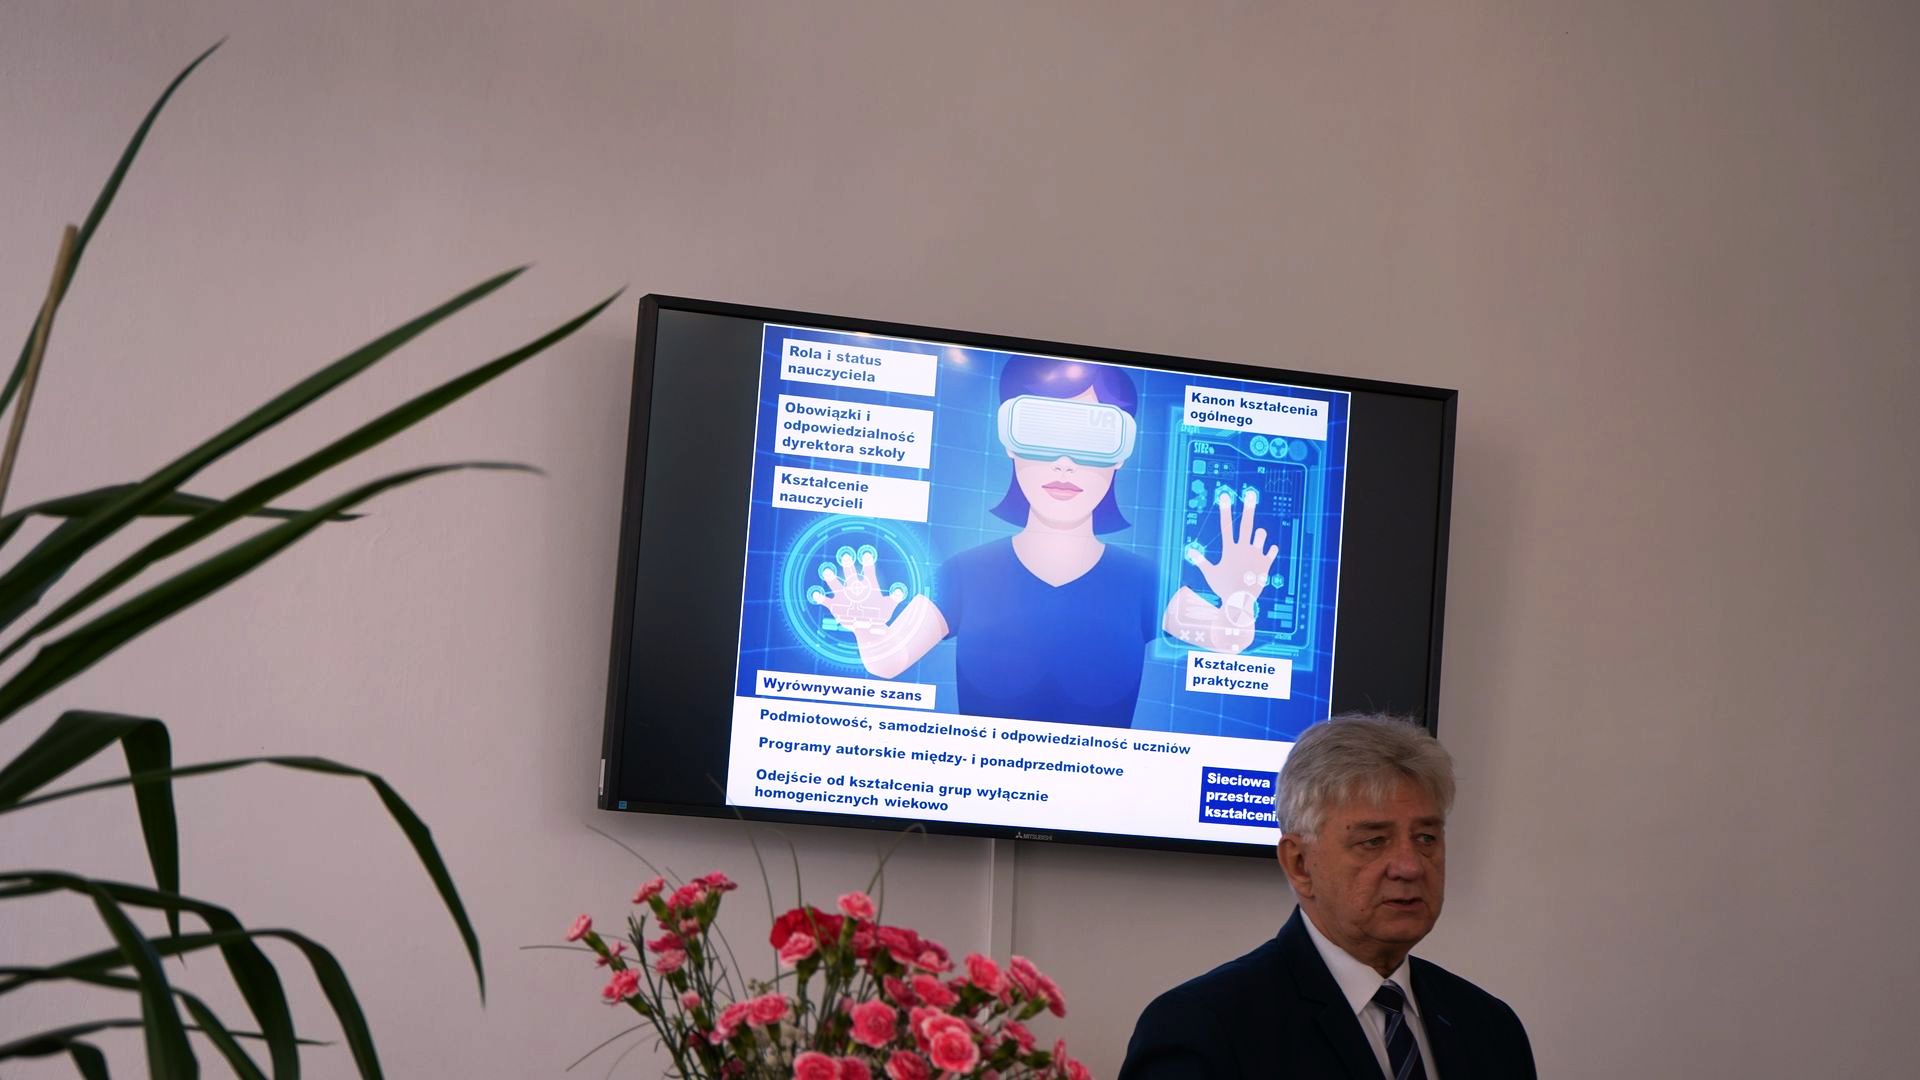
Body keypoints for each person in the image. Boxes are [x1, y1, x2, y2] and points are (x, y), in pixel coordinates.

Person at [812, 355, 1278, 727]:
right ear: (1010, 443)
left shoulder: (1144, 582)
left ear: (1120, 456)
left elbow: (1227, 639)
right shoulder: (965, 573)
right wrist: (867, 626)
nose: (1064, 462)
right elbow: (888, 661)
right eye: (1041, 431)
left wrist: (1239, 598)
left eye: (1092, 437)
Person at [1119, 714, 1535, 1078]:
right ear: (1300, 864)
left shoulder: (1490, 1028)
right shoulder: (1203, 1029)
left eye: (1426, 837)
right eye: (1374, 841)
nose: (1410, 866)